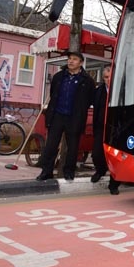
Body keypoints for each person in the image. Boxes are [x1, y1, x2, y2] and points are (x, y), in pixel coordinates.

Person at [36, 52, 95, 181]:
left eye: (74, 59)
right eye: (69, 59)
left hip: (74, 118)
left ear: (81, 62)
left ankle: (69, 172)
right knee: (51, 146)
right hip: (58, 115)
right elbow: (53, 94)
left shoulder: (87, 80)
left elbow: (90, 99)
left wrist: (80, 111)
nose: (71, 61)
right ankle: (46, 171)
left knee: (72, 147)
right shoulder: (59, 77)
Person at [89, 66, 121, 194]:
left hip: (116, 128)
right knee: (97, 154)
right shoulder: (98, 91)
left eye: (111, 77)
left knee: (115, 157)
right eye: (106, 77)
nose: (108, 80)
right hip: (100, 127)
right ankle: (100, 170)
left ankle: (114, 184)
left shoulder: (121, 90)